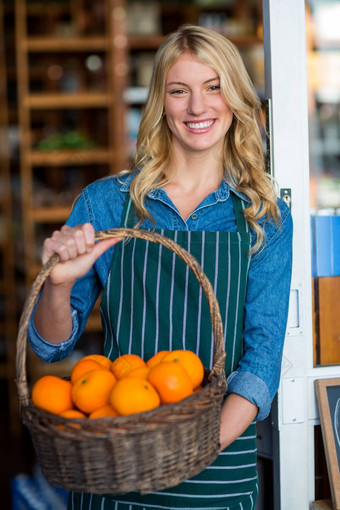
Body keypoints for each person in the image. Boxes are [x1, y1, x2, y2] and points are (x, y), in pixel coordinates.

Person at [28, 24, 293, 510]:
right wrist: (59, 287)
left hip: (217, 467)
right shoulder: (107, 204)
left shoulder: (262, 217)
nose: (198, 107)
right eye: (179, 91)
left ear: (234, 97)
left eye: (213, 87)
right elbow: (49, 345)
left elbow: (260, 365)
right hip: (119, 461)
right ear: (161, 103)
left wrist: (188, 451)